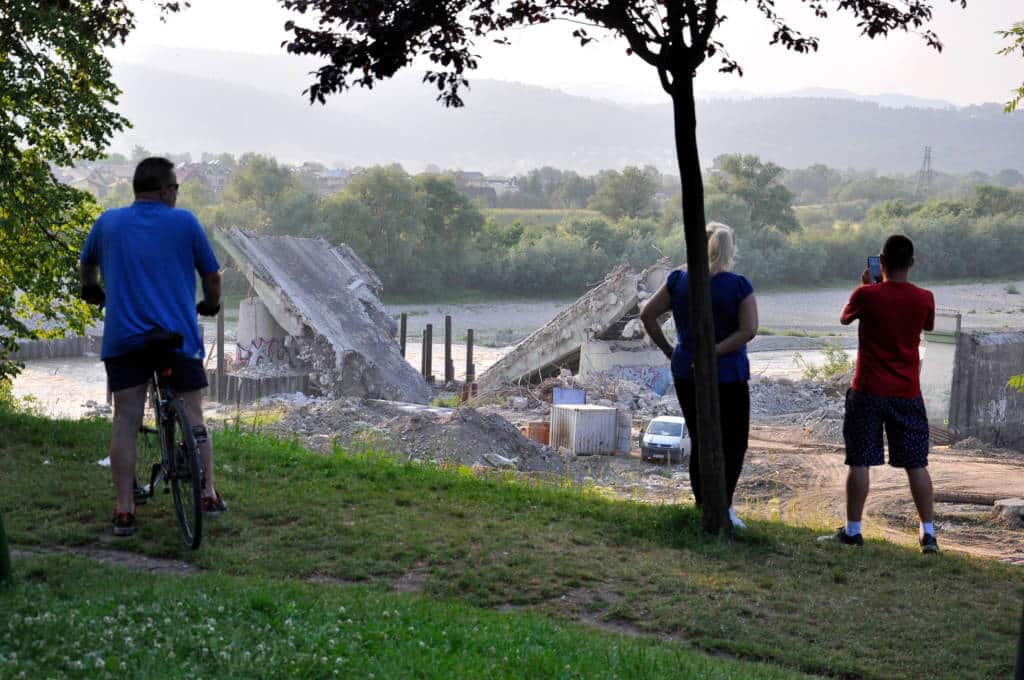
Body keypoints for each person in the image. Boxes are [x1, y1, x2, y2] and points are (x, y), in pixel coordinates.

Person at [80, 157, 225, 537]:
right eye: (175, 188)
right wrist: (210, 305)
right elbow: (212, 277)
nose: (177, 194)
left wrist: (92, 290)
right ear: (164, 190)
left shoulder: (108, 222)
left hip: (126, 340)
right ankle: (208, 494)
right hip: (177, 338)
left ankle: (124, 510)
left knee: (126, 419)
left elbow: (87, 267)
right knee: (194, 414)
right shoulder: (185, 222)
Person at [819, 234, 938, 553]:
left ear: (881, 262)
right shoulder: (924, 298)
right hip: (907, 393)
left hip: (868, 390)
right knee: (916, 463)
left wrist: (867, 287)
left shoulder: (866, 295)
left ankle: (853, 532)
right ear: (912, 263)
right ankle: (928, 534)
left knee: (860, 460)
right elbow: (928, 326)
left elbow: (845, 318)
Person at [641, 223, 758, 528]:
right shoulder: (738, 285)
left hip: (686, 370)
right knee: (734, 442)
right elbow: (749, 329)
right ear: (730, 249)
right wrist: (714, 352)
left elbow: (647, 315)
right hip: (729, 374)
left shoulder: (678, 280)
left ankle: (702, 504)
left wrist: (670, 350)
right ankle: (724, 508)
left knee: (700, 438)